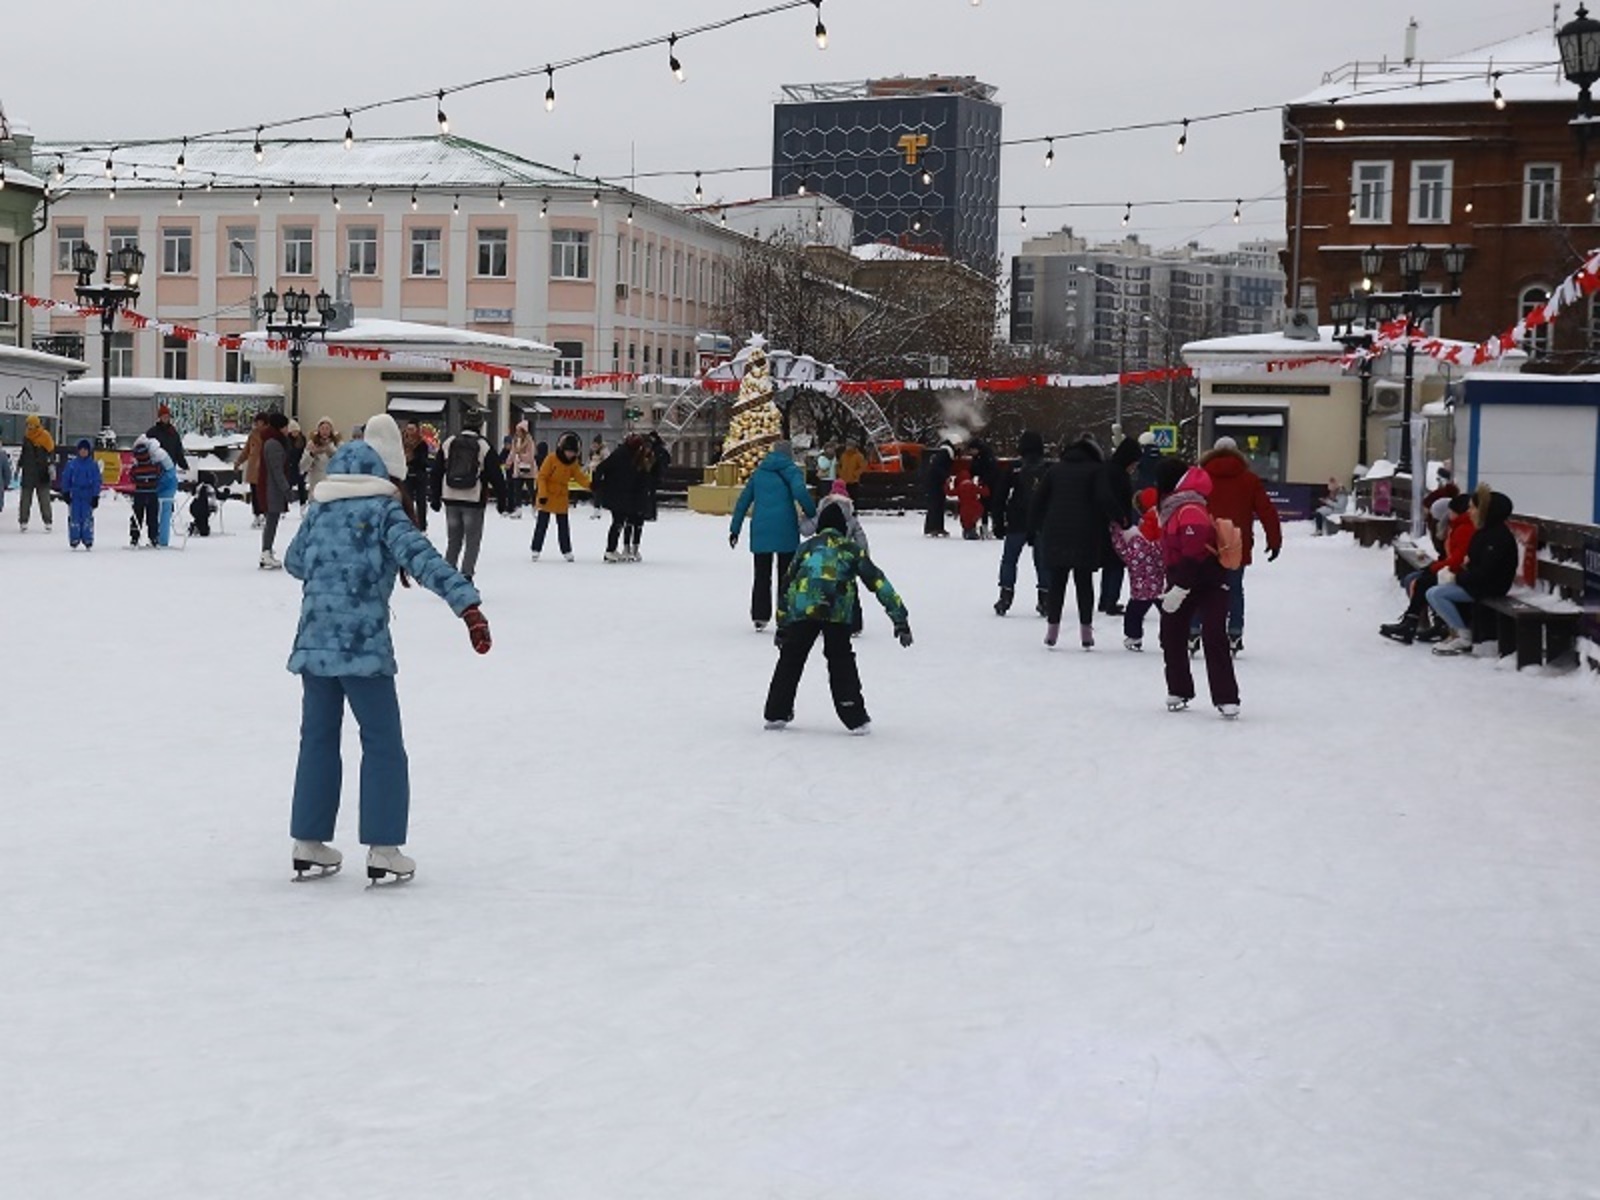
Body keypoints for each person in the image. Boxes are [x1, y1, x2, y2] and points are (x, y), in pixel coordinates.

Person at [283, 412, 492, 885]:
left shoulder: (320, 508)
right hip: (363, 648)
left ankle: (308, 842)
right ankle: (383, 847)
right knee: (382, 744)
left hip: (314, 645)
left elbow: (296, 563)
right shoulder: (383, 510)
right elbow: (423, 559)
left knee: (317, 739)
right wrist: (468, 606)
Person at [763, 502, 913, 734]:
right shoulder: (851, 549)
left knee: (791, 657)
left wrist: (783, 625)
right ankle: (854, 715)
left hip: (805, 608)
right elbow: (878, 582)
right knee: (840, 658)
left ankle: (776, 712)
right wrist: (899, 619)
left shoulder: (806, 548)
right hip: (837, 609)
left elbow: (786, 585)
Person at [1153, 459, 1241, 717]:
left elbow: (1194, 551)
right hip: (1183, 577)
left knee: (1213, 634)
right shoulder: (1174, 507)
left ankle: (1226, 697)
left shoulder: (1189, 508)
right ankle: (1179, 689)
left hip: (1208, 580)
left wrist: (1179, 589)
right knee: (1171, 633)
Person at [1197, 436, 1282, 656]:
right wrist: (1274, 541)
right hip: (1236, 542)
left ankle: (1194, 630)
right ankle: (1234, 633)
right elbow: (1266, 511)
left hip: (1205, 541)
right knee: (1234, 590)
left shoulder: (1200, 477)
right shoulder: (1249, 479)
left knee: (1201, 588)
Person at [1031, 432, 1113, 650]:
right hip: (1086, 532)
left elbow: (1039, 499)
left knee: (1057, 582)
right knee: (1084, 583)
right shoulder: (1096, 471)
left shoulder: (1055, 470)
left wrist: (1035, 527)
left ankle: (1052, 631)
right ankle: (1086, 634)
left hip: (1055, 531)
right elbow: (1105, 498)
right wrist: (1120, 520)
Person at [729, 440, 817, 628]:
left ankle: (760, 616)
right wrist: (812, 513)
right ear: (789, 454)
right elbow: (800, 491)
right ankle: (784, 614)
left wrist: (735, 529)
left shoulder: (759, 473)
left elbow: (743, 501)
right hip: (785, 528)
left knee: (761, 574)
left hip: (761, 530)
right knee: (786, 575)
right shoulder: (792, 471)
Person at [1426, 484, 1519, 656]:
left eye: (1472, 507)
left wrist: (1458, 578)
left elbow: (1486, 571)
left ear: (1485, 510)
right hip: (1479, 583)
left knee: (1436, 593)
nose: (1469, 511)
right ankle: (1458, 632)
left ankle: (1463, 636)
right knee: (1436, 589)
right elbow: (1473, 562)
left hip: (1490, 587)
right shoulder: (1485, 532)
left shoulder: (1496, 536)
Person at [1380, 494, 1474, 644]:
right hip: (1454, 570)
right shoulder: (1457, 526)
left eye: (1451, 512)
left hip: (1460, 573)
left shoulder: (1464, 529)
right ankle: (1412, 622)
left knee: (1425, 582)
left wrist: (1435, 567)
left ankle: (1418, 624)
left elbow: (1457, 559)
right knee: (1419, 579)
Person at [429, 408, 504, 582]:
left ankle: (448, 574)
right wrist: (502, 500)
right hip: (473, 498)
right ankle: (466, 575)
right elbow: (496, 475)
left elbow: (436, 471)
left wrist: (435, 497)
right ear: (480, 424)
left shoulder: (449, 442)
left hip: (450, 497)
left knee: (453, 539)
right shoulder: (484, 445)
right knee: (472, 540)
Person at [991, 430, 1052, 617]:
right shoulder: (1048, 468)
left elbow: (1000, 496)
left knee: (1010, 559)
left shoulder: (1014, 468)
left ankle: (1005, 595)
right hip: (1042, 520)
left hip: (1017, 519)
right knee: (1042, 561)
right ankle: (1045, 598)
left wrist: (998, 522)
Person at [1109, 487, 1165, 651]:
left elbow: (1142, 542)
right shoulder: (1167, 515)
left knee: (1136, 609)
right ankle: (1169, 637)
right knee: (1167, 607)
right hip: (1162, 570)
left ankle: (1134, 636)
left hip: (1145, 572)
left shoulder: (1148, 518)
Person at [1097, 433, 1143, 616]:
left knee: (1109, 563)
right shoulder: (1119, 474)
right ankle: (1111, 601)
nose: (1135, 467)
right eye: (1134, 463)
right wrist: (1121, 517)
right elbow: (1113, 498)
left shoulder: (1107, 469)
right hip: (1116, 523)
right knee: (1117, 563)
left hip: (1105, 522)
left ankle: (1104, 599)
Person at [591, 435, 656, 562]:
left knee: (619, 521)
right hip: (615, 493)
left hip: (622, 494)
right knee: (618, 521)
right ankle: (610, 550)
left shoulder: (631, 455)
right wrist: (597, 484)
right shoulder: (621, 455)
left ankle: (612, 549)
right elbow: (601, 468)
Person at [531, 432, 591, 561]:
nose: (570, 455)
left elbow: (579, 477)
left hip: (561, 497)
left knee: (563, 526)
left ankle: (566, 550)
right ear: (563, 449)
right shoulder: (551, 458)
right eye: (568, 451)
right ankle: (536, 549)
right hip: (547, 495)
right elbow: (542, 477)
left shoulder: (573, 463)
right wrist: (542, 494)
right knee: (542, 525)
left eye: (573, 452)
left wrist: (591, 485)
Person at [258, 412, 292, 569]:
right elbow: (277, 469)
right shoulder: (274, 443)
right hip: (271, 488)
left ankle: (267, 550)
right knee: (271, 521)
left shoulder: (272, 441)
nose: (287, 430)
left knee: (272, 520)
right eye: (286, 426)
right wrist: (286, 489)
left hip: (271, 486)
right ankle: (266, 552)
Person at [59, 438, 103, 550]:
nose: (83, 452)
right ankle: (74, 538)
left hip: (88, 494)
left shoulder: (93, 465)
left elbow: (97, 481)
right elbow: (66, 478)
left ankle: (88, 539)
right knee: (75, 517)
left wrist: (95, 495)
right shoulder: (72, 464)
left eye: (85, 450)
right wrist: (66, 492)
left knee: (87, 517)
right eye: (81, 450)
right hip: (75, 494)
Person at [17, 414, 55, 534]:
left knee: (44, 499)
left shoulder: (45, 437)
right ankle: (23, 521)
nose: (29, 427)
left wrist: (51, 466)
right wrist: (19, 465)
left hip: (41, 473)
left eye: (31, 425)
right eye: (28, 425)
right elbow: (24, 454)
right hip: (28, 472)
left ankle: (48, 521)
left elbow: (51, 453)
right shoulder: (26, 437)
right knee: (25, 500)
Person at [236, 412, 268, 528]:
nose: (258, 425)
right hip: (253, 469)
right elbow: (246, 451)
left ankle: (265, 514)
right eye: (257, 422)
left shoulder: (269, 436)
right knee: (255, 492)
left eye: (260, 422)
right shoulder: (252, 435)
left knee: (264, 493)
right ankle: (257, 514)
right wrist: (238, 461)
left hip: (265, 468)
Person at [128, 438, 162, 547]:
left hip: (139, 494)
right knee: (152, 517)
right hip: (152, 493)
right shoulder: (154, 466)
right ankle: (154, 537)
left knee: (137, 516)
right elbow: (159, 475)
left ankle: (135, 537)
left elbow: (132, 478)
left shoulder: (136, 468)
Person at [148, 438, 180, 547]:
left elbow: (166, 475)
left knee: (162, 513)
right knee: (165, 513)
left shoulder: (157, 457)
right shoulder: (163, 455)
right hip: (169, 486)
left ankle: (161, 540)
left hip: (164, 487)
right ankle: (162, 539)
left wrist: (157, 484)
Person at [402, 423, 433, 531]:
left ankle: (422, 525)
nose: (410, 432)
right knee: (407, 500)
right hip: (406, 475)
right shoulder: (402, 443)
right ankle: (408, 523)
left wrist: (413, 459)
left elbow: (424, 460)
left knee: (421, 502)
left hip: (420, 475)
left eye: (412, 429)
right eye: (408, 429)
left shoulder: (422, 444)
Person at [301, 418, 341, 494]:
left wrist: (331, 452)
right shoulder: (311, 445)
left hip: (332, 484)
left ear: (331, 430)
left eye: (327, 428)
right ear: (318, 430)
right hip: (316, 484)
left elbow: (342, 463)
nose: (324, 431)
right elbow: (303, 467)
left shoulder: (338, 445)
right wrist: (312, 454)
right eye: (322, 428)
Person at [144, 404, 189, 472]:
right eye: (164, 416)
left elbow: (178, 451)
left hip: (170, 467)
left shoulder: (173, 433)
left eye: (167, 416)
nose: (166, 418)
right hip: (156, 468)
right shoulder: (153, 432)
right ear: (160, 417)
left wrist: (184, 465)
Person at [922, 442, 954, 536]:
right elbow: (937, 468)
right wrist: (946, 476)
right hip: (936, 483)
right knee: (936, 505)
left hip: (936, 483)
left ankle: (936, 527)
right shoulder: (945, 454)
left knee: (937, 504)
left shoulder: (943, 453)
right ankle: (933, 527)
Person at [506, 422, 538, 517]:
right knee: (517, 490)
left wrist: (520, 455)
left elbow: (531, 456)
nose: (517, 432)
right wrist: (509, 462)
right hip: (518, 469)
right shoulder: (515, 441)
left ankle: (535, 507)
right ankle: (518, 509)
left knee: (531, 490)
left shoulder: (529, 442)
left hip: (528, 469)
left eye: (519, 430)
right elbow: (512, 452)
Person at [950, 467, 989, 539]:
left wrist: (945, 485)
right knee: (972, 520)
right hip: (976, 507)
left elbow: (949, 493)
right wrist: (985, 485)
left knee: (966, 522)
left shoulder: (959, 487)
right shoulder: (973, 486)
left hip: (965, 509)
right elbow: (985, 492)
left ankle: (969, 531)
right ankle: (972, 531)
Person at [284, 419, 308, 510]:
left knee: (301, 486)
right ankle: (284, 504)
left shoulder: (302, 439)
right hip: (290, 466)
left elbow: (305, 452)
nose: (295, 433)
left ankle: (303, 505)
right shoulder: (287, 440)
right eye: (293, 431)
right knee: (287, 486)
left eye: (297, 431)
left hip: (300, 465)